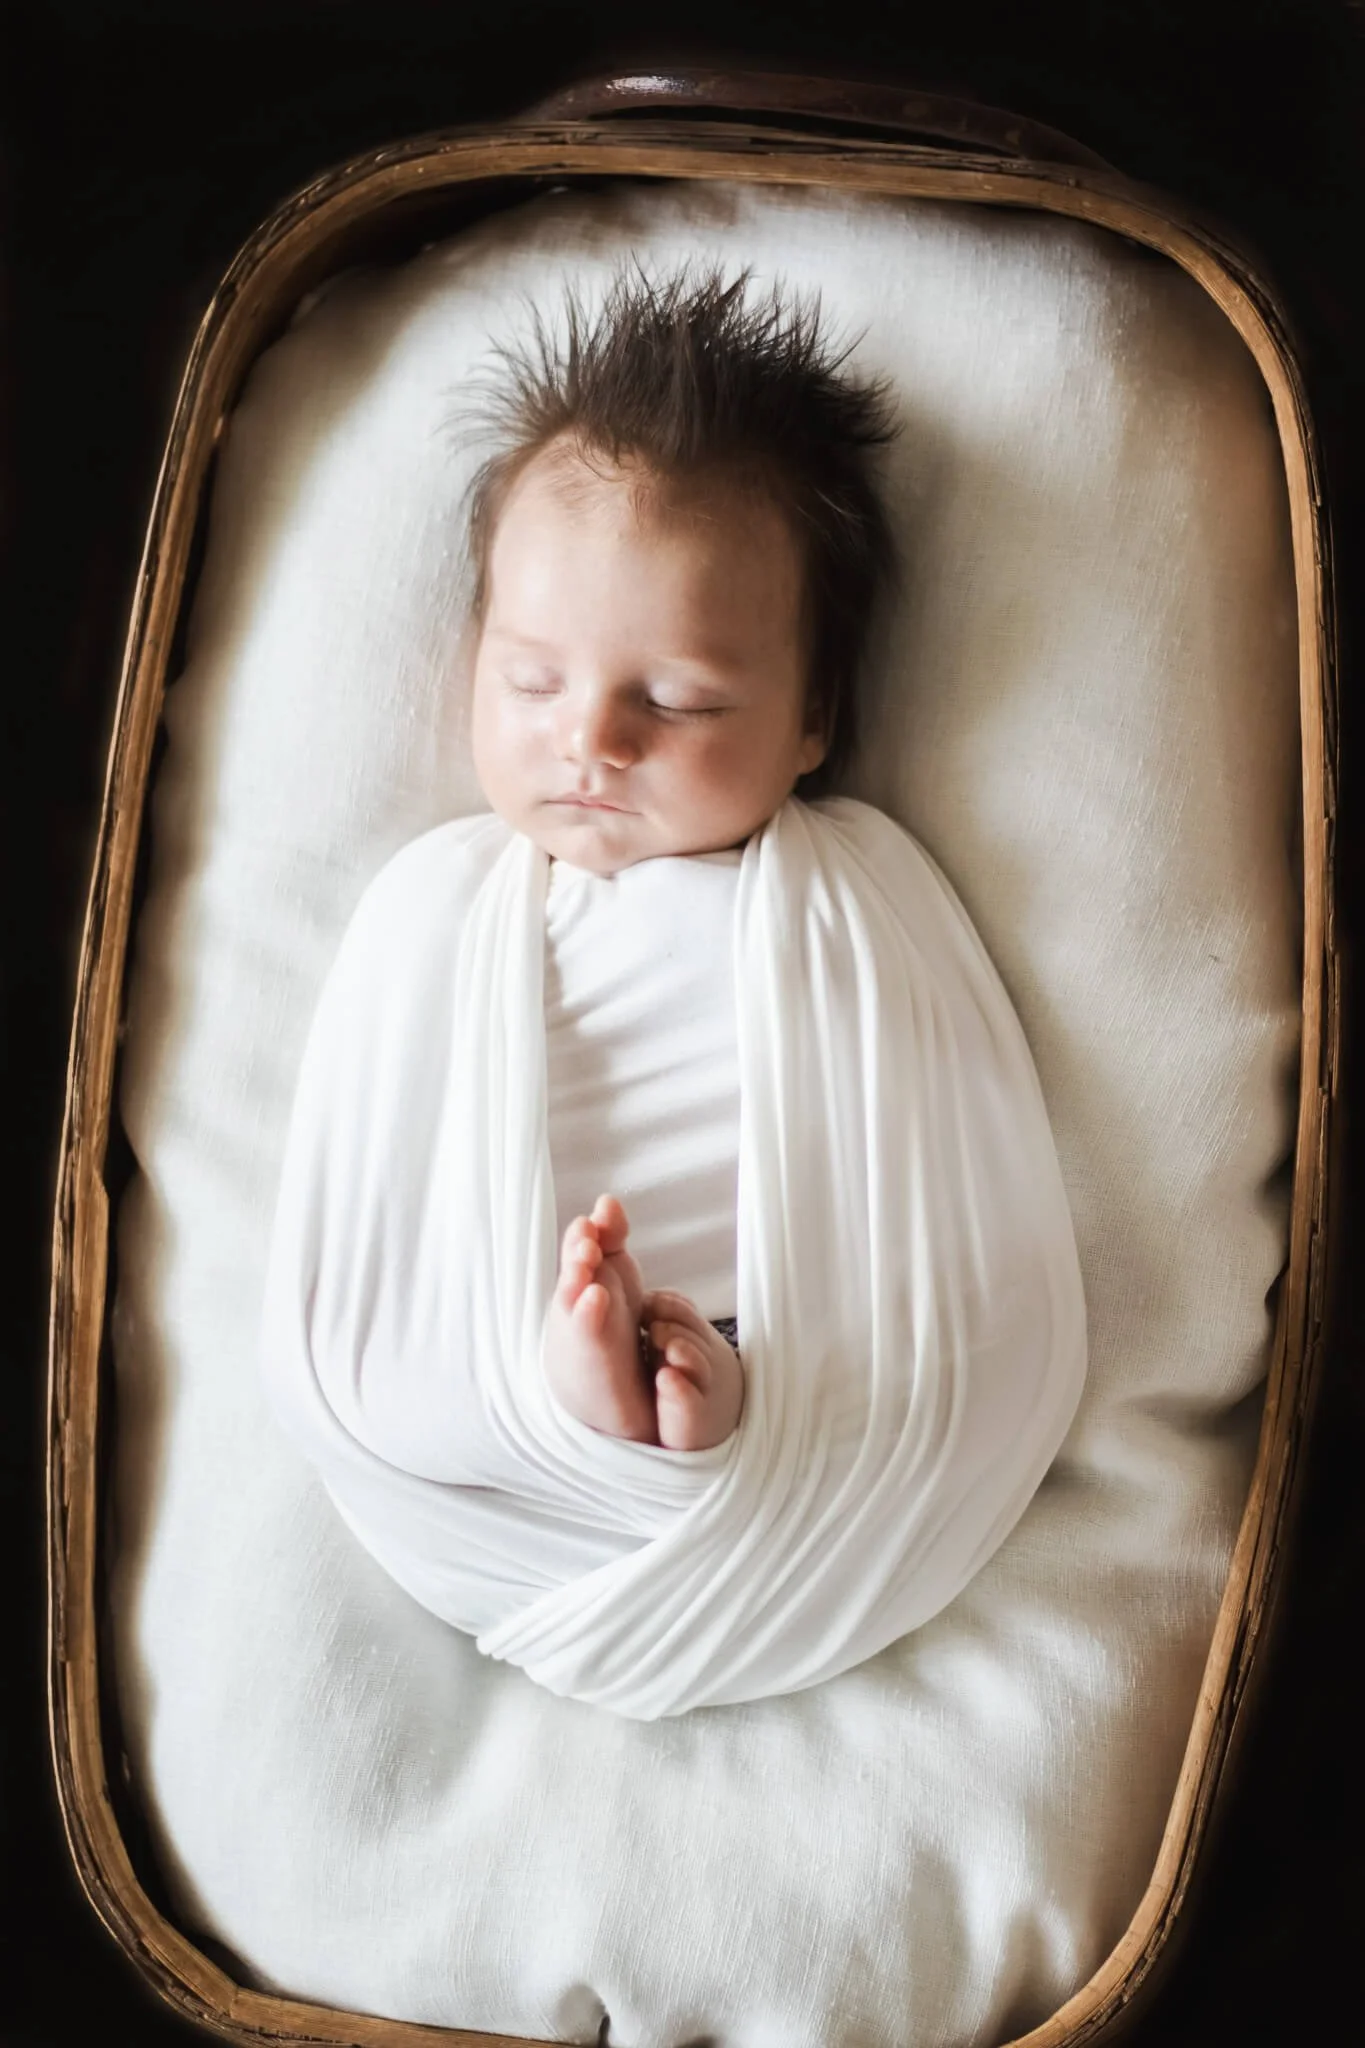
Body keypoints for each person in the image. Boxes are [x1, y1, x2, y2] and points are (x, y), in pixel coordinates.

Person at [260, 266, 1086, 1717]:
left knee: (873, 1362)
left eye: (684, 699)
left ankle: (702, 1399)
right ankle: (575, 1404)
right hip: (477, 1367)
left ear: (813, 716)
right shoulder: (437, 908)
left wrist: (790, 1367)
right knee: (393, 1381)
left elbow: (943, 1185)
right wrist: (491, 1370)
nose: (593, 738)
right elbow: (369, 1189)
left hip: (810, 1355)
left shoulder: (856, 892)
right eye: (529, 681)